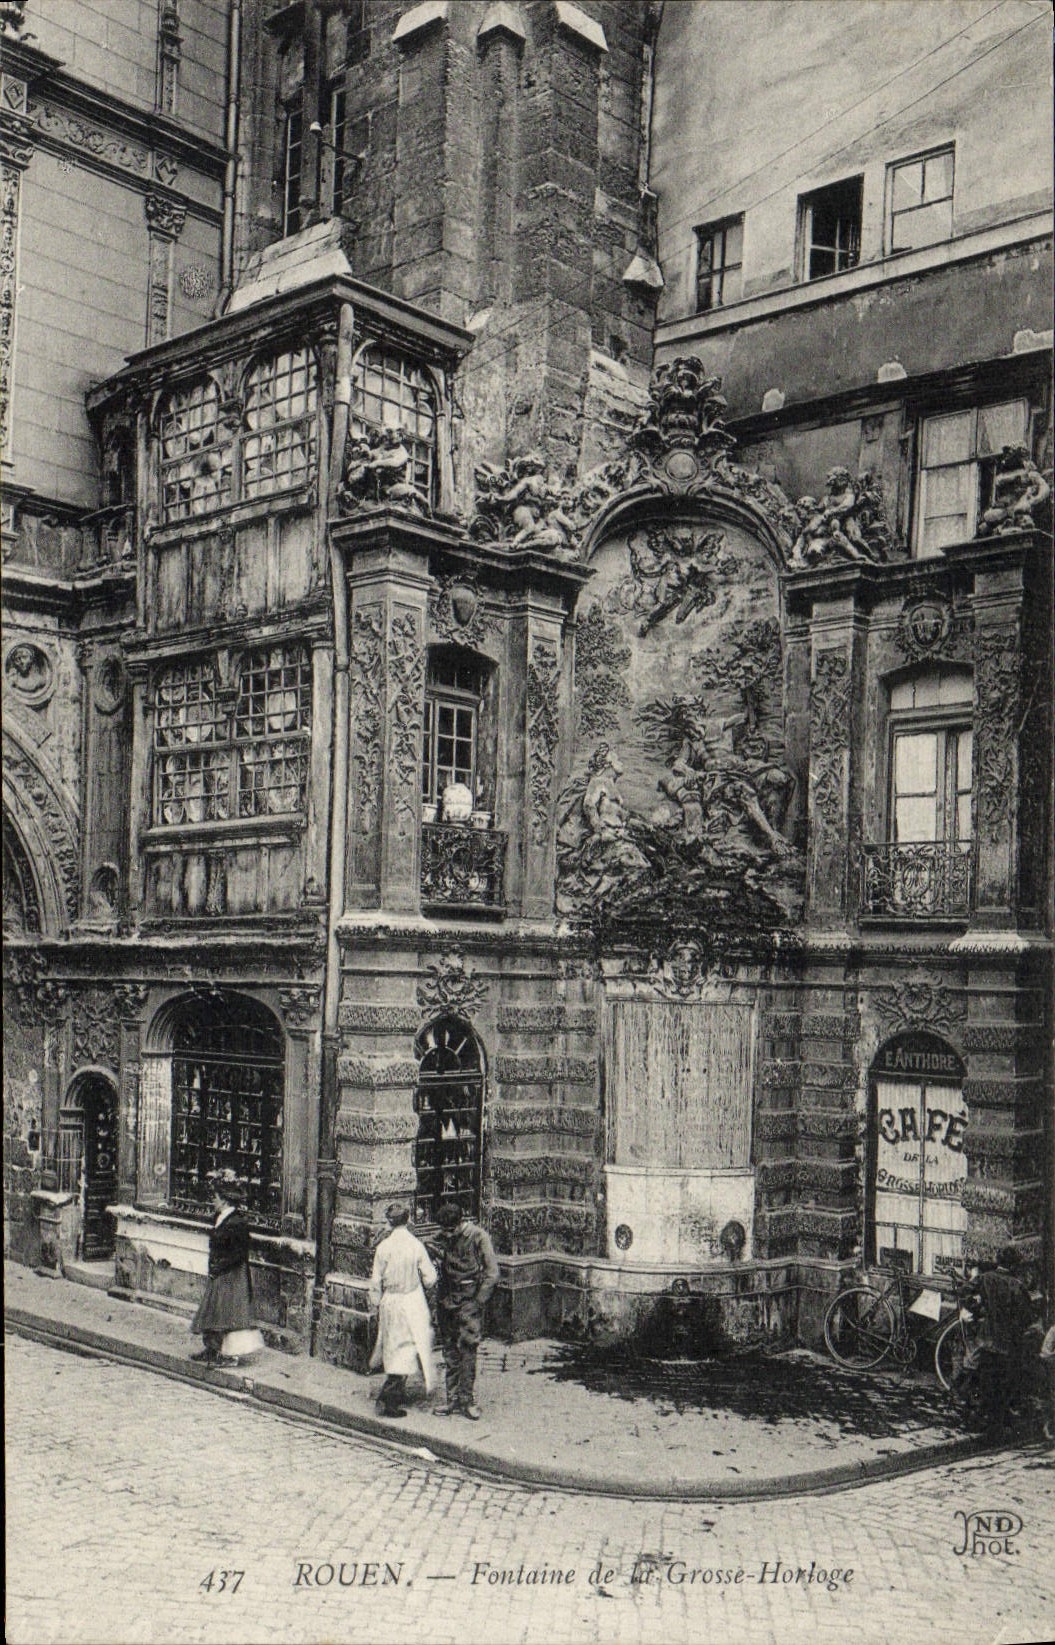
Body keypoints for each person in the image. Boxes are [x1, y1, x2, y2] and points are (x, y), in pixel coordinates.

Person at [368, 1203, 438, 1419]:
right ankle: (388, 1398)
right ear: (408, 1220)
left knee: (393, 1345)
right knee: (410, 1346)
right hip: (412, 1300)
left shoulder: (384, 1247)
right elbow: (430, 1278)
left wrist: (376, 1303)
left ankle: (395, 1391)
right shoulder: (416, 1245)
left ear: (389, 1222)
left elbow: (375, 1281)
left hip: (391, 1301)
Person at [432, 1202, 499, 1420]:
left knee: (468, 1349)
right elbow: (431, 1247)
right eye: (444, 1230)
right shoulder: (443, 1235)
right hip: (447, 1300)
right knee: (450, 1350)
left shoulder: (479, 1237)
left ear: (460, 1223)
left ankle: (467, 1400)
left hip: (469, 1300)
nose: (446, 1234)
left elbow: (492, 1273)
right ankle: (452, 1399)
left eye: (450, 1230)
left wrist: (478, 1301)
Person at [190, 1171, 263, 1368]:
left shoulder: (237, 1222)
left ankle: (229, 1355)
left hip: (232, 1273)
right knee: (214, 1310)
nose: (212, 1201)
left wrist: (220, 1265)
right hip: (220, 1270)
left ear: (224, 1200)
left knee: (228, 1313)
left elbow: (240, 1252)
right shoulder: (220, 1217)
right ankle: (212, 1349)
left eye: (215, 1197)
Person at [961, 1244, 1037, 1432]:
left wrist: (977, 1308)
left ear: (998, 1261)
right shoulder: (1017, 1286)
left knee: (987, 1380)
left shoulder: (985, 1278)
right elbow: (1027, 1317)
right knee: (1005, 1383)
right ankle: (998, 1423)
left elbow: (965, 1292)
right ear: (1015, 1265)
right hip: (1008, 1344)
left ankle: (982, 1420)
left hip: (986, 1339)